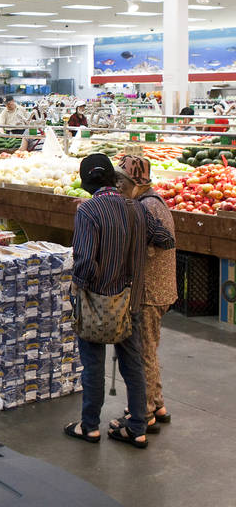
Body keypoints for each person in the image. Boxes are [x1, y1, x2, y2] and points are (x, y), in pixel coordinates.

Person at [64, 153, 175, 449]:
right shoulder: (136, 208)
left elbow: (86, 262)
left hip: (97, 301)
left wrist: (77, 289)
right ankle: (137, 427)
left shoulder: (88, 210)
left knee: (93, 365)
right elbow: (165, 239)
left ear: (87, 182)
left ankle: (90, 427)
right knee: (133, 364)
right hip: (131, 300)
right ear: (113, 179)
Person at [116, 154, 176, 434]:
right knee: (150, 348)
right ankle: (158, 403)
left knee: (143, 353)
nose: (119, 186)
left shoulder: (146, 207)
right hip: (161, 288)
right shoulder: (153, 201)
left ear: (136, 181)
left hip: (151, 291)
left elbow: (148, 249)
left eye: (123, 180)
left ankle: (147, 411)